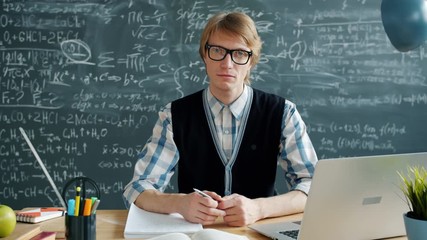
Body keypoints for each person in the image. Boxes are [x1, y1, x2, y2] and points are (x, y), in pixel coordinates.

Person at [123, 11, 318, 227]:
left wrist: (259, 208)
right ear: (204, 55)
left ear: (251, 60)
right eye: (217, 50)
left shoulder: (283, 113)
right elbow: (138, 188)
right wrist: (179, 203)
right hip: (197, 234)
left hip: (259, 232)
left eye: (240, 53)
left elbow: (313, 186)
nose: (227, 63)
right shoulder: (175, 115)